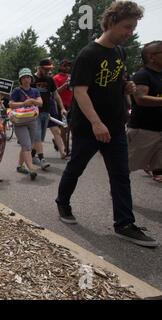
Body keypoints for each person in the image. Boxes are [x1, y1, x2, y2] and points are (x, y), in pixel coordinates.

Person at [56, 1, 157, 247]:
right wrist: (96, 122)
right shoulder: (88, 54)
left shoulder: (120, 53)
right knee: (76, 168)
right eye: (127, 27)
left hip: (115, 125)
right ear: (111, 22)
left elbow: (116, 81)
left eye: (133, 28)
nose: (130, 33)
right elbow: (80, 91)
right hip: (89, 127)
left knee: (121, 175)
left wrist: (127, 87)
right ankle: (62, 202)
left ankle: (124, 223)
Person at [128, 40, 162, 183]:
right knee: (127, 165)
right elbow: (141, 98)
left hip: (159, 129)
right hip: (144, 130)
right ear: (151, 56)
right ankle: (118, 190)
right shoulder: (143, 75)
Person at [32, 59, 67, 169]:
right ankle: (42, 159)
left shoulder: (50, 80)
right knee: (37, 136)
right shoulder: (31, 79)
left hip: (46, 112)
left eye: (49, 69)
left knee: (40, 138)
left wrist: (61, 108)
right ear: (40, 67)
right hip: (33, 113)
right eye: (46, 69)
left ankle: (32, 156)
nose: (48, 71)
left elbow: (56, 95)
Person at [9, 68, 43, 181]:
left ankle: (20, 166)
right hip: (20, 121)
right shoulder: (17, 91)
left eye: (28, 77)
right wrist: (23, 103)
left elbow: (40, 102)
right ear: (20, 79)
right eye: (24, 77)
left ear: (31, 78)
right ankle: (31, 168)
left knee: (28, 144)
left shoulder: (35, 91)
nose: (26, 79)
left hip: (32, 120)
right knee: (27, 145)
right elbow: (11, 104)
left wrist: (32, 101)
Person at [53, 59, 74, 156]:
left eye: (69, 66)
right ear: (61, 66)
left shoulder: (71, 77)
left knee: (69, 128)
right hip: (61, 106)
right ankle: (66, 148)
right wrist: (66, 84)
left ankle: (57, 140)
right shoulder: (56, 78)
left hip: (71, 105)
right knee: (64, 127)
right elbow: (56, 92)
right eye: (65, 66)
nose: (67, 68)